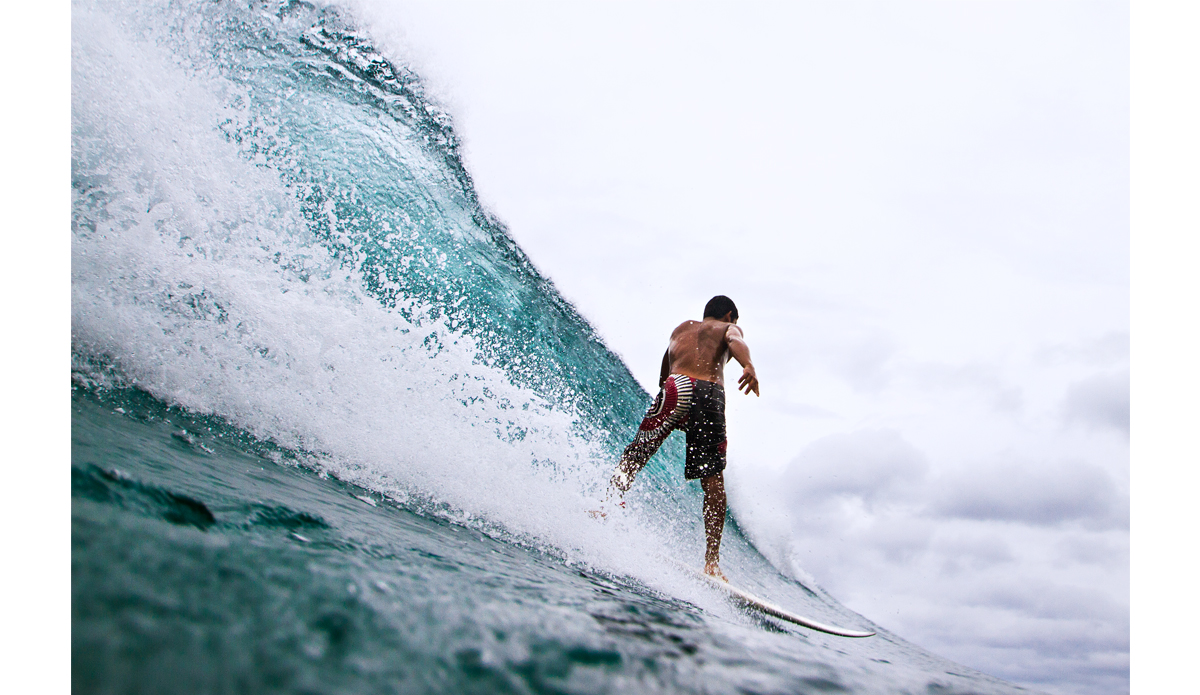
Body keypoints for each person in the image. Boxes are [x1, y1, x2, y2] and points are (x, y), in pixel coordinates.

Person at [599, 295, 759, 580]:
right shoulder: (726, 329)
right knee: (713, 483)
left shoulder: (681, 329)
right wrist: (748, 365)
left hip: (676, 386)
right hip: (708, 393)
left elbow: (664, 376)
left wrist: (674, 410)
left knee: (635, 454)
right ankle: (711, 563)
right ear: (729, 315)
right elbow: (736, 341)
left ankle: (606, 506)